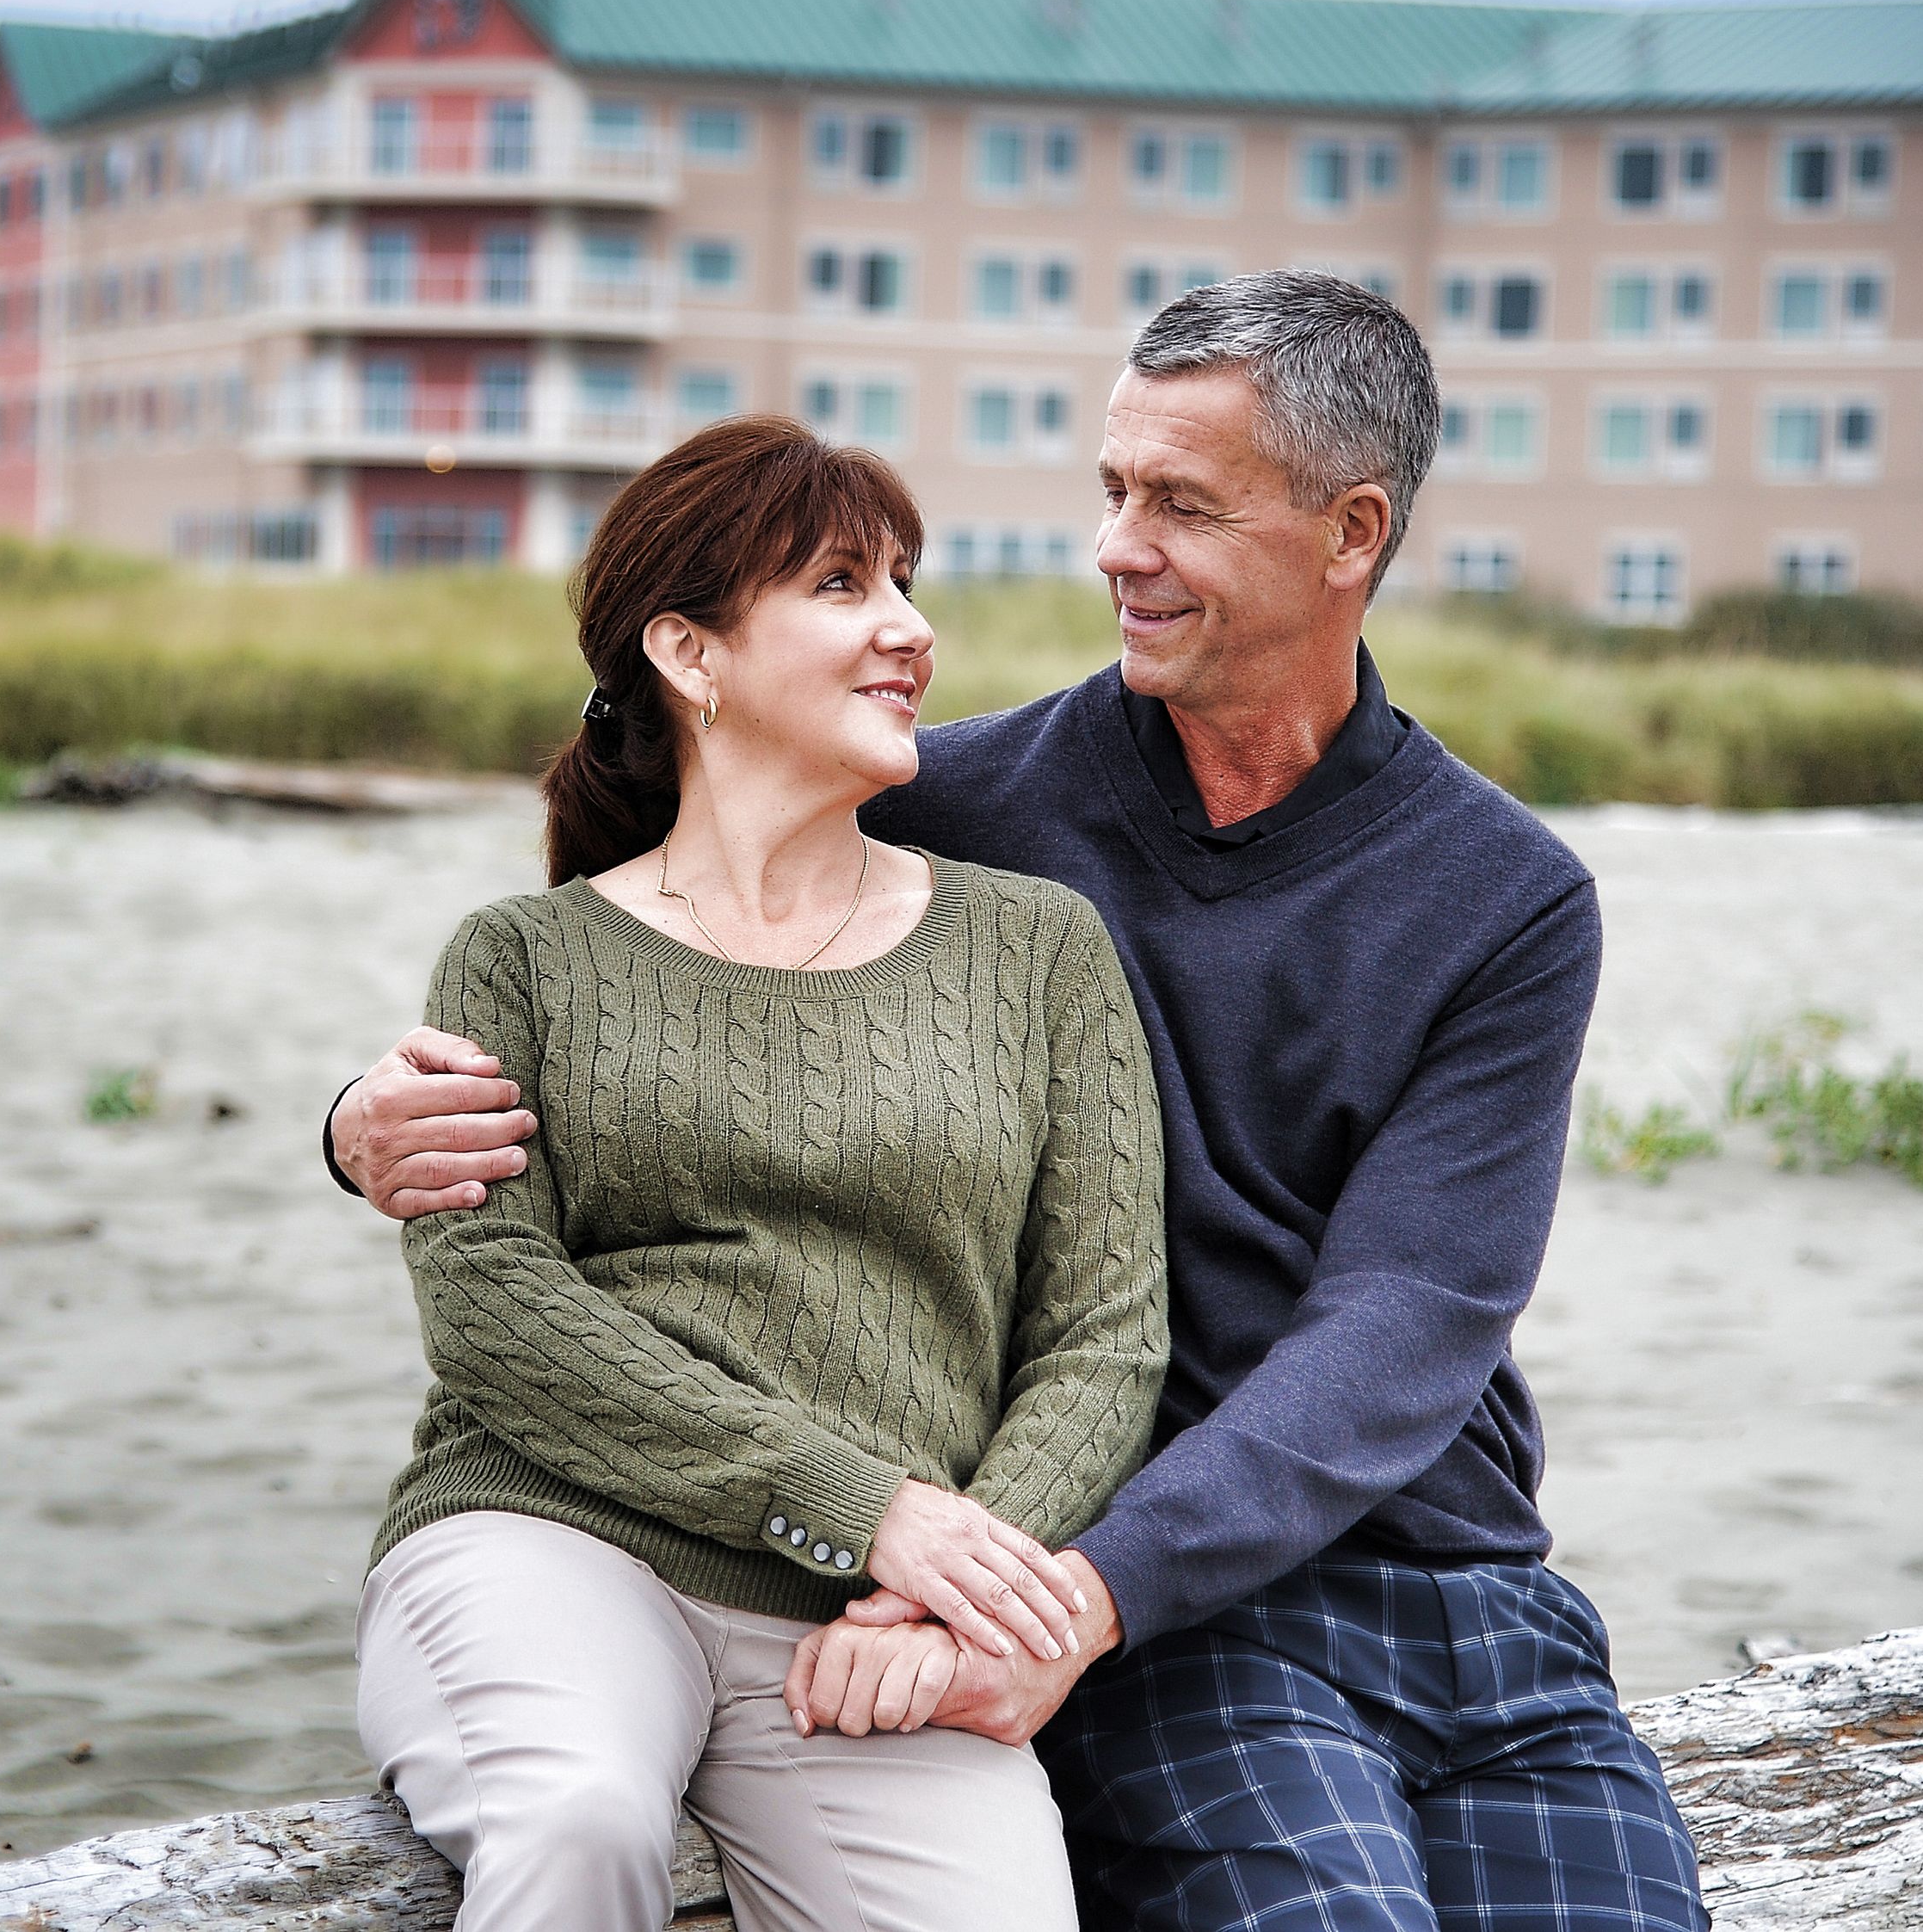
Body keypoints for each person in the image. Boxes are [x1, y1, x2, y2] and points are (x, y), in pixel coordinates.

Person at [333, 275, 1710, 1931]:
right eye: (1114, 491)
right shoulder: (960, 800)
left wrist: (1054, 1589)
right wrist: (360, 1125)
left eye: (1181, 505)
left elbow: (1405, 1321)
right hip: (1167, 1615)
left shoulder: (1505, 893)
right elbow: (633, 955)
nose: (1119, 547)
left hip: (1433, 1582)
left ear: (1352, 534)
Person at [352, 413, 1170, 1932]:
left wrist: (945, 1584)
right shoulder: (524, 957)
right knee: (583, 1820)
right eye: (845, 586)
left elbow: (1105, 1338)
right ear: (689, 651)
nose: (912, 631)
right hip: (556, 1544)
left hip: (872, 1622)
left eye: (907, 583)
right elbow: (492, 1315)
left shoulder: (1038, 948)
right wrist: (860, 1502)